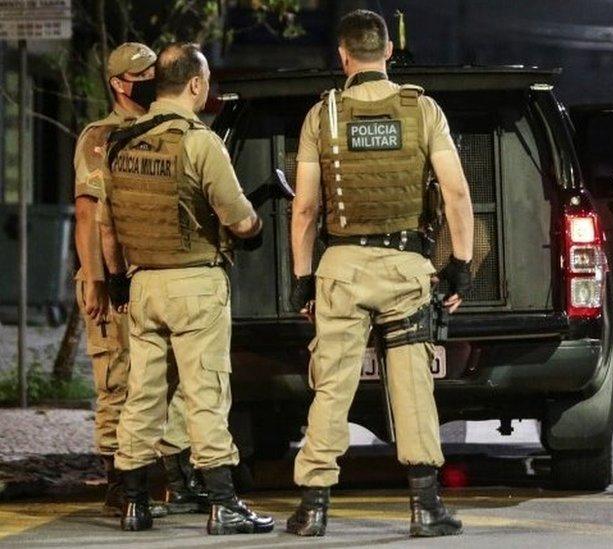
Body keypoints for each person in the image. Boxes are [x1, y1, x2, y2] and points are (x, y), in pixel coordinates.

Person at [286, 9, 474, 537]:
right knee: (412, 384)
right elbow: (457, 192)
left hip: (341, 268)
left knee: (332, 385)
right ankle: (425, 506)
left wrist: (303, 277)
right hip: (405, 267)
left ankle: (314, 507)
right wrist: (460, 266)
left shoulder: (320, 116)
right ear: (388, 51)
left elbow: (304, 209)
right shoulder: (423, 110)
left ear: (343, 56)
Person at [99, 42, 273, 535]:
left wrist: (117, 285)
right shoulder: (198, 141)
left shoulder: (118, 142)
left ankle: (134, 503)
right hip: (195, 284)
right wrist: (254, 229)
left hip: (142, 283)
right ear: (195, 84)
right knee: (206, 393)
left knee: (142, 396)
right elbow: (239, 219)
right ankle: (224, 504)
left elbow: (107, 229)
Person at [72, 42, 204, 517]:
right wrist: (95, 280)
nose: (148, 80)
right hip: (114, 278)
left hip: (153, 275)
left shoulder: (164, 128)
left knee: (167, 381)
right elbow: (88, 216)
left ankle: (171, 479)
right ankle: (118, 482)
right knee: (119, 381)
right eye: (139, 74)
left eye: (154, 72)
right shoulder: (101, 136)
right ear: (118, 82)